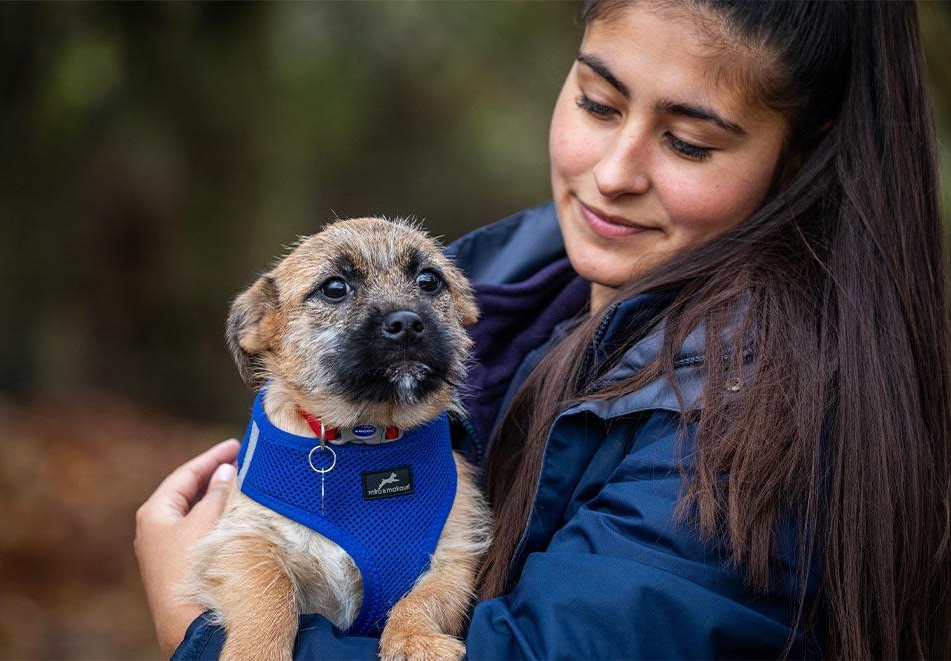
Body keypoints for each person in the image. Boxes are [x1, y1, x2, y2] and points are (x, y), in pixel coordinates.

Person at [135, 0, 951, 658]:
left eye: (688, 142)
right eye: (597, 101)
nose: (614, 172)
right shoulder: (515, 278)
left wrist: (199, 631)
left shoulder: (763, 415)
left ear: (802, 155)